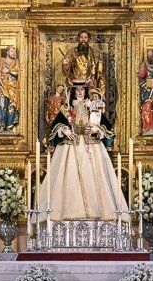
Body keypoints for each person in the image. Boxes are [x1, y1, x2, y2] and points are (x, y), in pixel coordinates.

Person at [40, 84, 127, 221]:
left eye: (82, 89)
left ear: (86, 91)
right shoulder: (67, 108)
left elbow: (107, 128)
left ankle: (99, 214)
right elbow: (55, 128)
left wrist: (97, 130)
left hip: (91, 148)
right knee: (68, 176)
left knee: (95, 177)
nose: (80, 92)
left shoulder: (93, 107)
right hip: (69, 148)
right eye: (77, 89)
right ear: (73, 91)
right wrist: (64, 130)